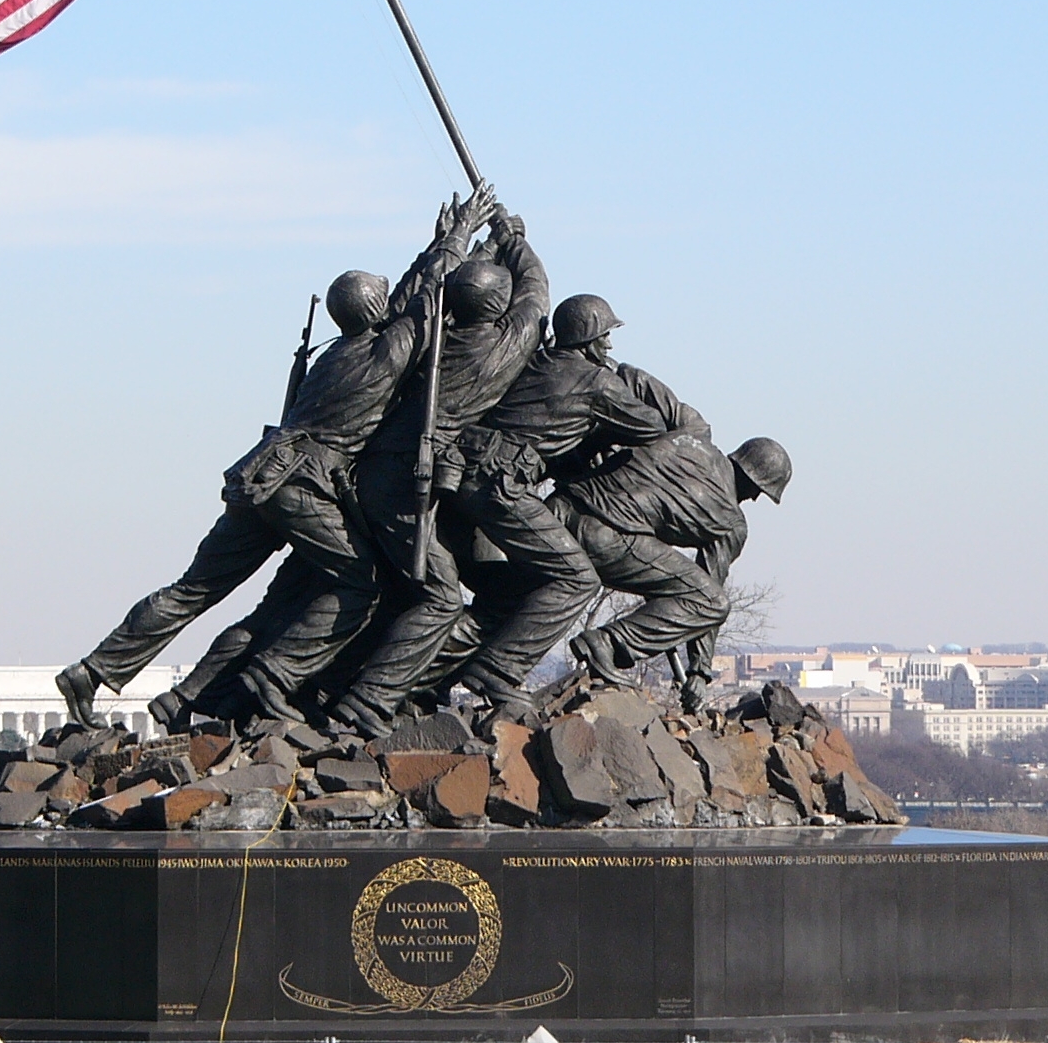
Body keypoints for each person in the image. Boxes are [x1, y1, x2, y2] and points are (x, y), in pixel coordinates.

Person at [56, 188, 495, 730]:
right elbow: (425, 303)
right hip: (303, 484)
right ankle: (273, 677)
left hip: (259, 474)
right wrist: (456, 239)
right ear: (376, 310)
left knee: (195, 589)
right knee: (361, 586)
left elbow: (409, 298)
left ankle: (94, 670)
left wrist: (442, 241)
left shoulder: (335, 354)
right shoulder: (386, 353)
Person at [329, 209, 549, 733]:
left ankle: (381, 689)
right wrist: (513, 239)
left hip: (374, 471)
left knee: (405, 589)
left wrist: (457, 242)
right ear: (499, 307)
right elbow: (537, 293)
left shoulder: (430, 337)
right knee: (442, 597)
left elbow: (420, 297)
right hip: (407, 481)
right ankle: (367, 699)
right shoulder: (507, 344)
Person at [427, 294, 677, 709]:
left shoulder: (537, 363)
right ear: (587, 338)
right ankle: (498, 670)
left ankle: (425, 674)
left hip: (468, 477)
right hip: (500, 484)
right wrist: (624, 379)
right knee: (576, 579)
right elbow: (651, 425)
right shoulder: (596, 380)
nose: (609, 347)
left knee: (513, 592)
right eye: (605, 336)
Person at [563, 434, 793, 699]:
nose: (753, 499)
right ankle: (609, 643)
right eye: (758, 491)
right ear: (751, 479)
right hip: (604, 537)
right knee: (712, 602)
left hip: (561, 508)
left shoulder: (686, 441)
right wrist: (700, 671)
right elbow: (709, 591)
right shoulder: (729, 520)